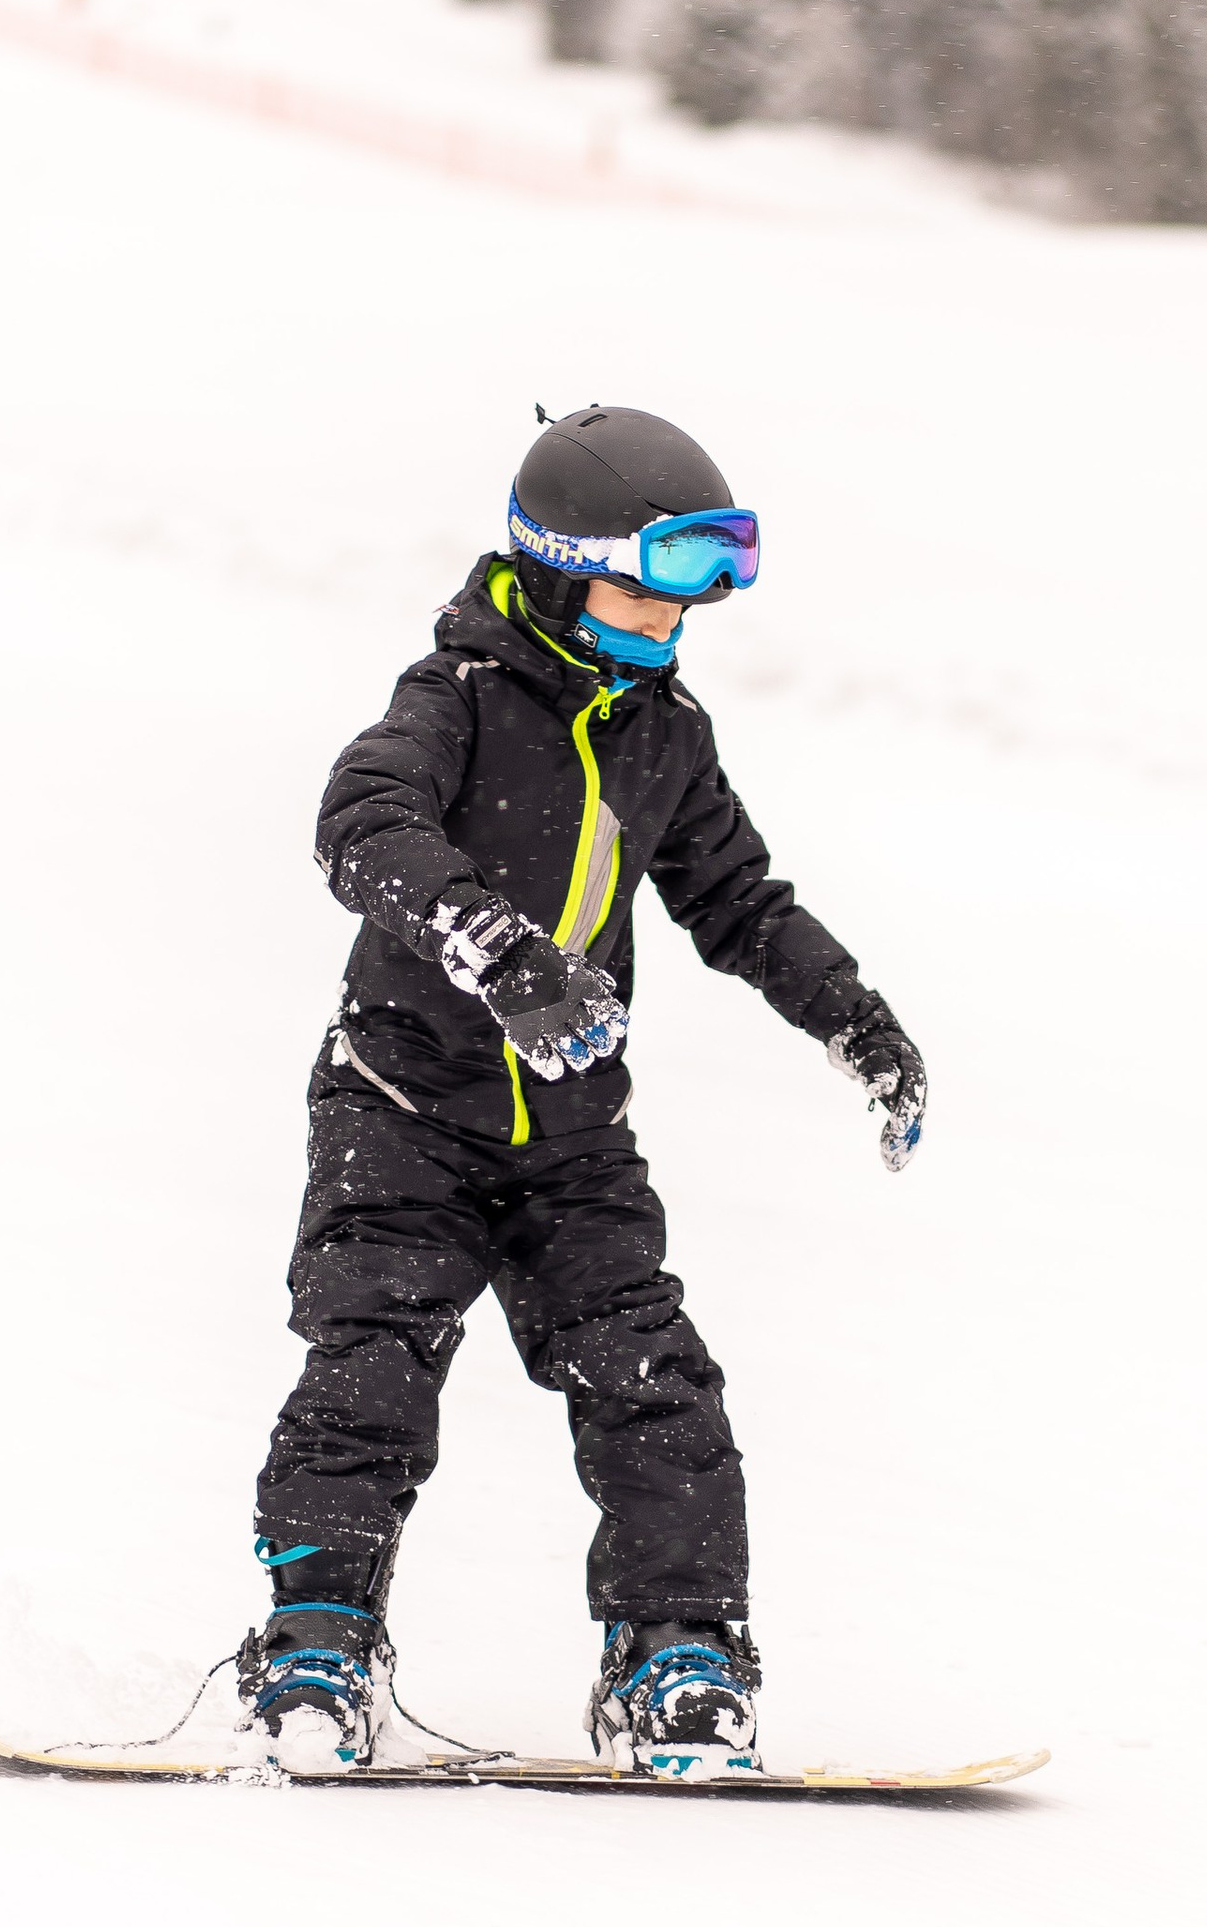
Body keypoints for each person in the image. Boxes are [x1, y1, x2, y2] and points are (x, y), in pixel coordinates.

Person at [240, 403, 925, 1778]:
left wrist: (852, 1017)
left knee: (654, 1384)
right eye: (644, 586)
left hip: (571, 1145)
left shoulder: (662, 736)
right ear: (557, 569)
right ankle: (317, 1642)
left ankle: (676, 1659)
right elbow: (360, 822)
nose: (673, 625)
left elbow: (737, 899)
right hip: (401, 1113)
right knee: (367, 1373)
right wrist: (494, 951)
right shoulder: (458, 703)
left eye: (697, 596)